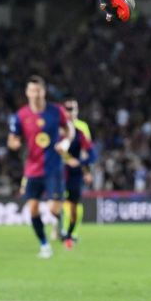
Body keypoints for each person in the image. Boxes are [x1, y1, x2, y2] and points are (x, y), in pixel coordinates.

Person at [7, 75, 75, 259]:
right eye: (32, 90)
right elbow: (12, 139)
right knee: (33, 209)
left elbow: (69, 129)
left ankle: (58, 224)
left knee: (54, 208)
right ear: (27, 93)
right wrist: (15, 144)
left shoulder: (56, 111)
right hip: (32, 169)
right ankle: (44, 245)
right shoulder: (21, 115)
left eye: (38, 90)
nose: (35, 94)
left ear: (44, 92)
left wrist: (66, 143)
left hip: (53, 168)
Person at [59, 97, 95, 249]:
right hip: (59, 170)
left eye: (73, 109)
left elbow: (86, 151)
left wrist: (86, 170)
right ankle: (61, 229)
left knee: (74, 203)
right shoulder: (58, 126)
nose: (70, 112)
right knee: (58, 202)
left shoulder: (82, 127)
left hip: (74, 171)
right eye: (67, 109)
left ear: (77, 111)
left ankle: (71, 232)